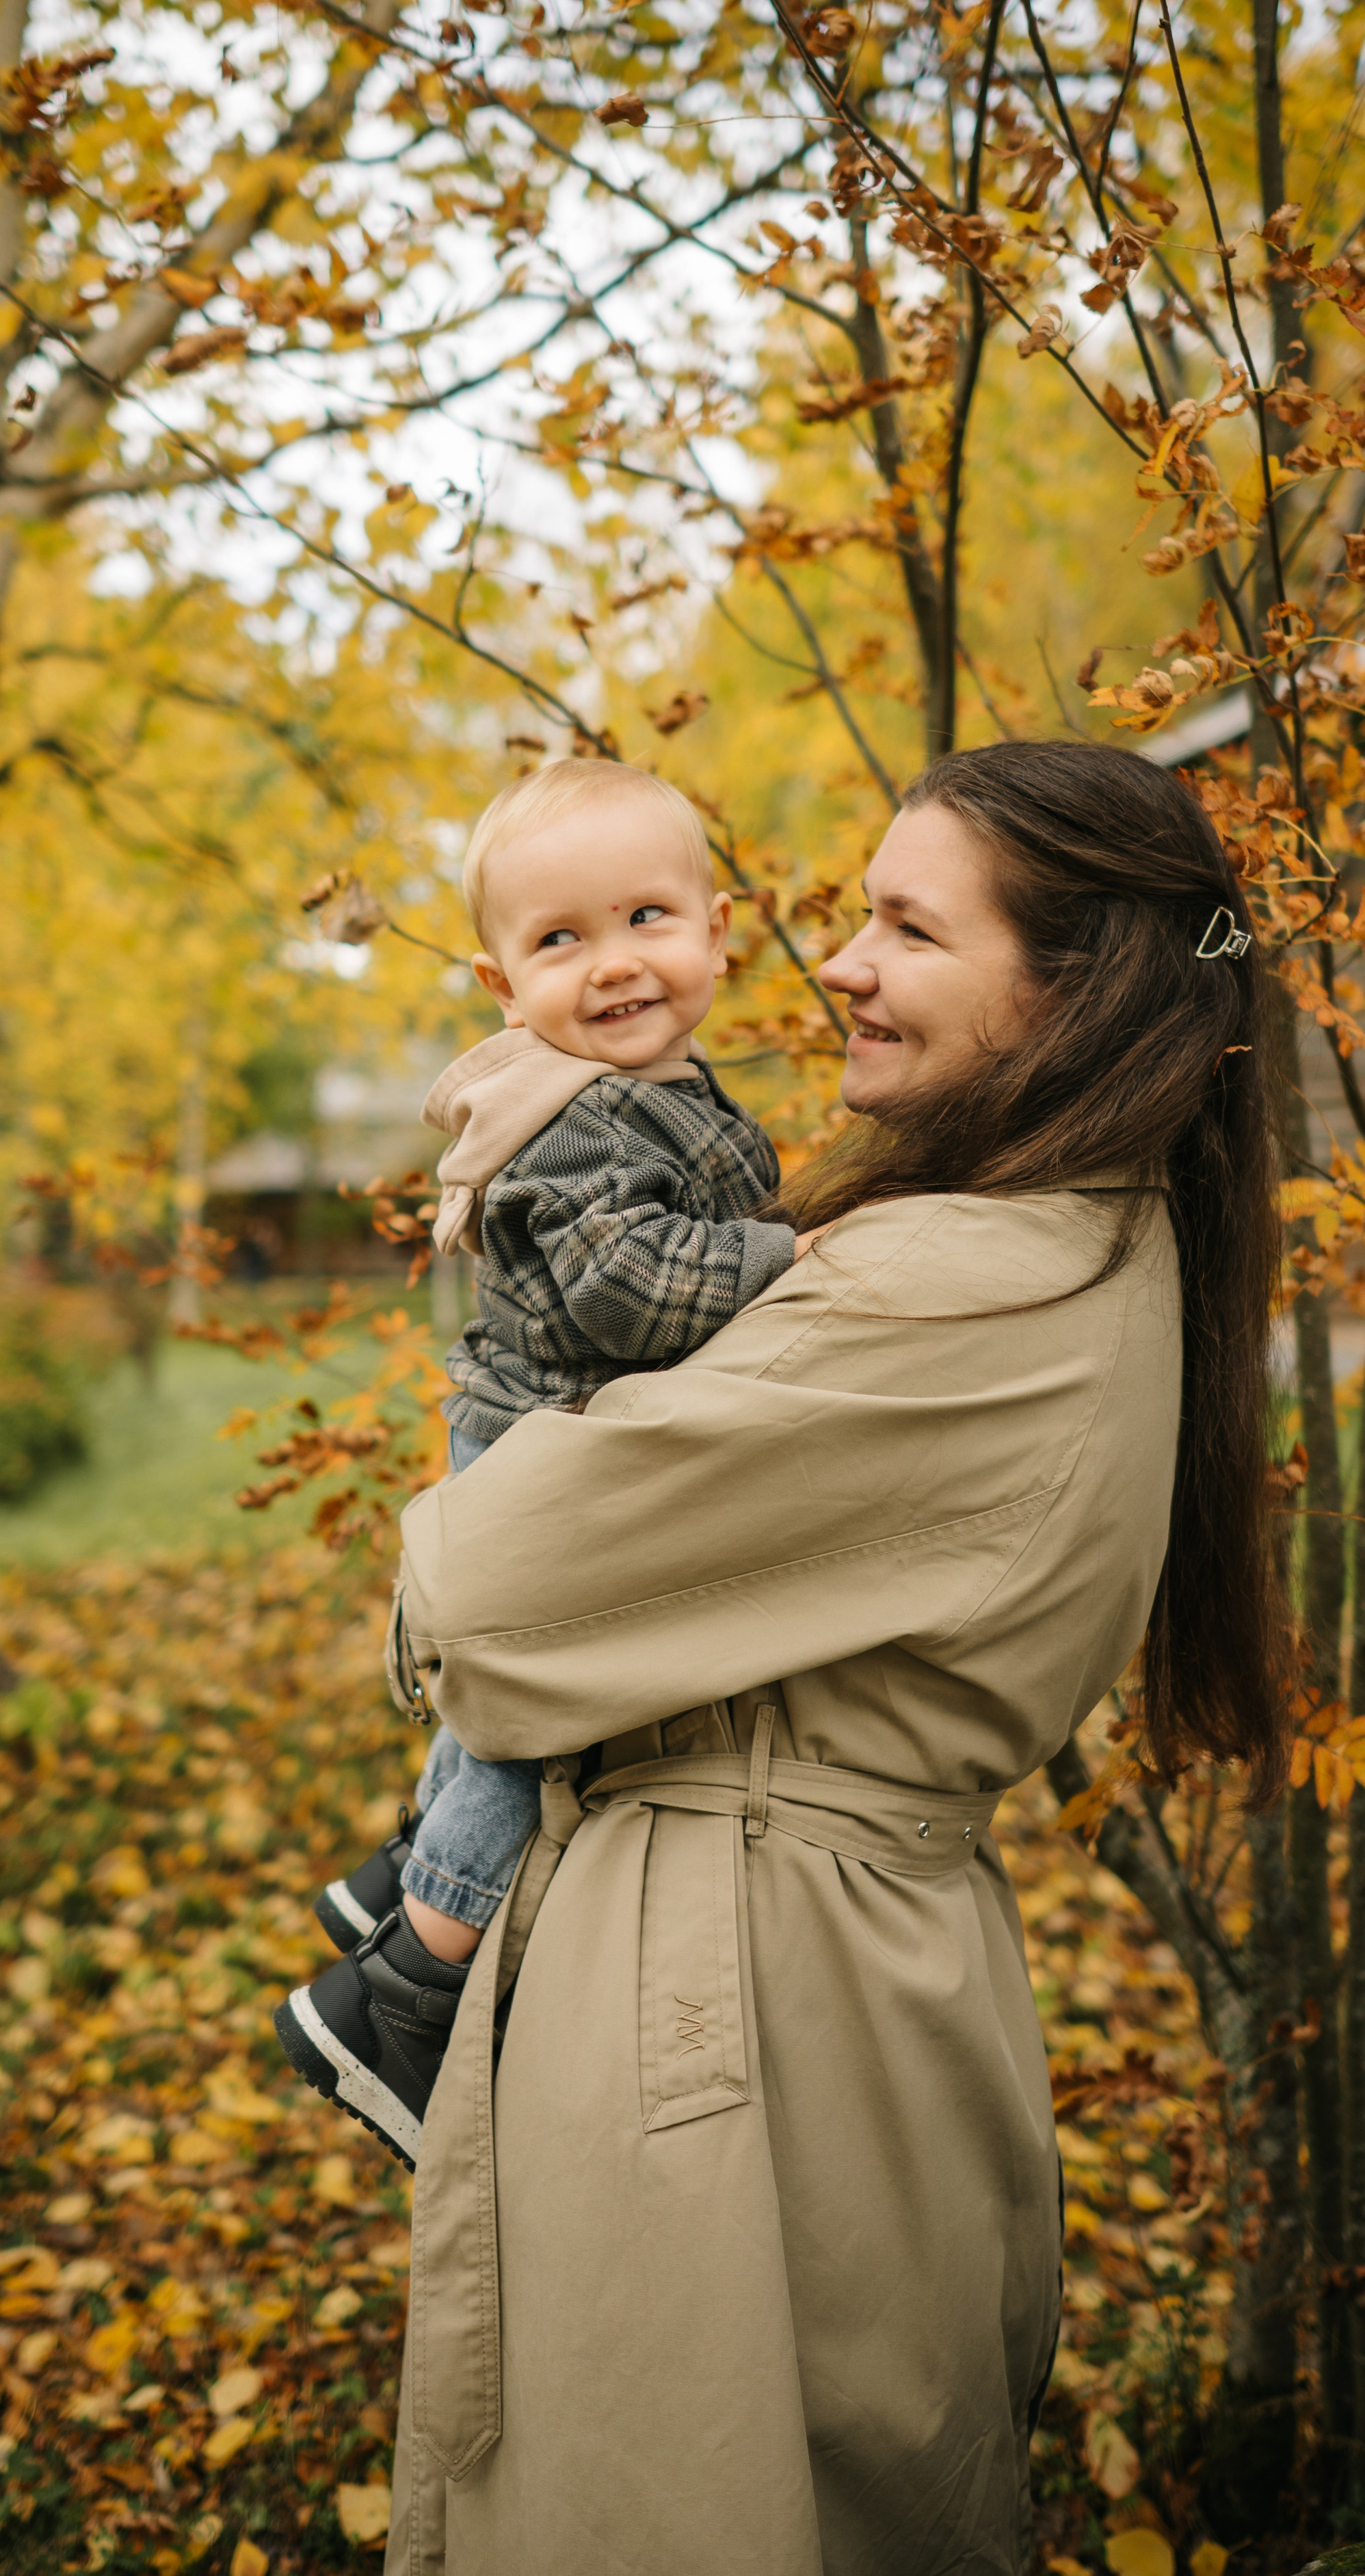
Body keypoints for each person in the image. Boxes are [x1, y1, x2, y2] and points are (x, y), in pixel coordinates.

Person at [374, 741, 1290, 2576]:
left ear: (1076, 988)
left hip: (735, 2006)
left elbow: (484, 1590)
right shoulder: (1085, 1240)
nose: (840, 967)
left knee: (670, 2533)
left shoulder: (955, 1282)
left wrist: (457, 1505)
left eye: (906, 927)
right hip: (835, 1974)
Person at [276, 755, 818, 2168]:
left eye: (647, 916)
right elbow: (623, 1293)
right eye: (560, 939)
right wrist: (790, 1263)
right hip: (545, 1452)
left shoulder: (642, 1087)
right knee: (545, 1704)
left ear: (718, 929)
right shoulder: (578, 1113)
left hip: (545, 1440)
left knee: (515, 1686)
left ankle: (400, 1880)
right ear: (500, 983)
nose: (616, 962)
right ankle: (405, 1991)